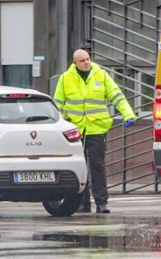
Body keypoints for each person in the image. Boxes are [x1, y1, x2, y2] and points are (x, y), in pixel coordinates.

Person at [54, 49, 136, 214]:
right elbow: (58, 104)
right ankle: (82, 203)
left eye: (88, 59)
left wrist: (128, 114)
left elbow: (116, 95)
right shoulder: (65, 78)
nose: (86, 62)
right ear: (75, 63)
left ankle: (101, 203)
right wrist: (57, 125)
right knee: (80, 167)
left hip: (96, 128)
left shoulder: (101, 75)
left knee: (98, 166)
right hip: (76, 130)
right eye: (82, 60)